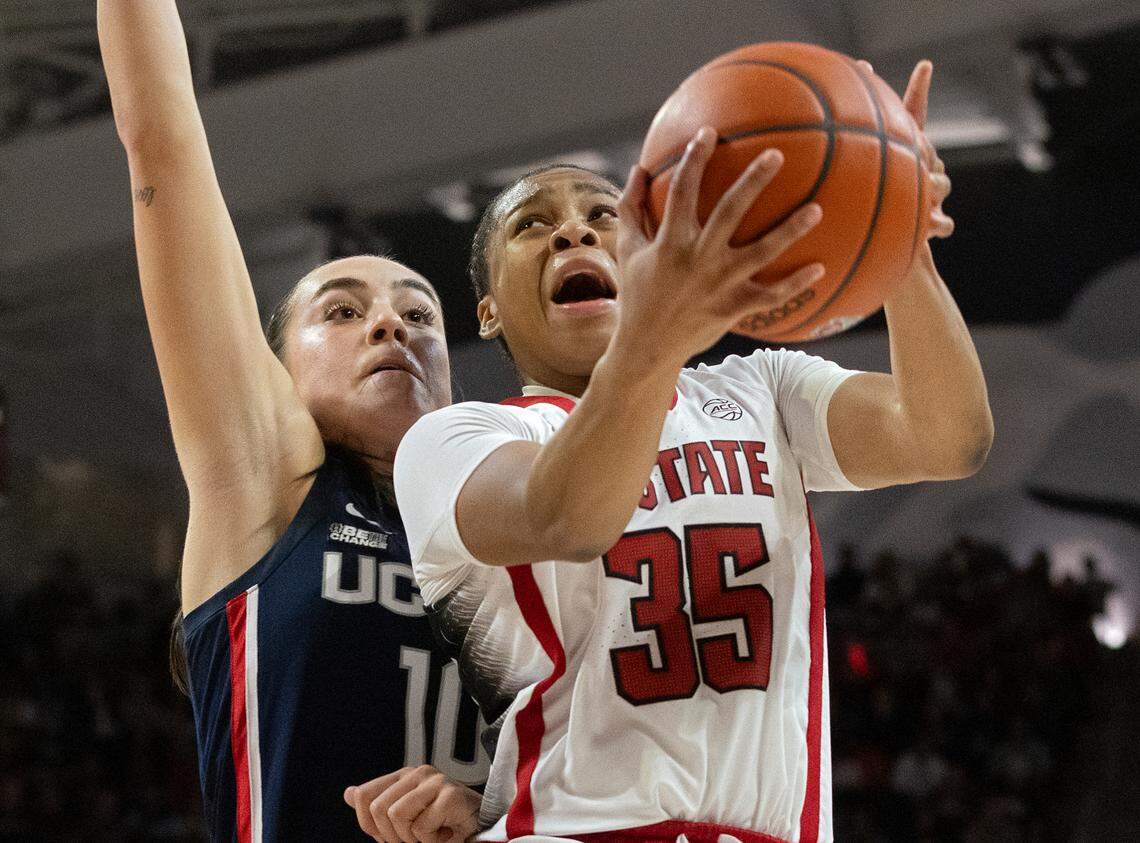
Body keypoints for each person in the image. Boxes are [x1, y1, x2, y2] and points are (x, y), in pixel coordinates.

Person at [383, 61, 993, 841]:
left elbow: (948, 435)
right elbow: (569, 515)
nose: (574, 229)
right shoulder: (455, 440)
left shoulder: (762, 388)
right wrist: (656, 337)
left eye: (604, 213)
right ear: (490, 311)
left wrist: (895, 234)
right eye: (531, 224)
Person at [97, 2, 488, 840]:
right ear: (270, 373)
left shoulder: (512, 530)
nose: (393, 325)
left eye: (421, 315)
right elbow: (161, 135)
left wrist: (485, 810)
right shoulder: (266, 487)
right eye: (342, 311)